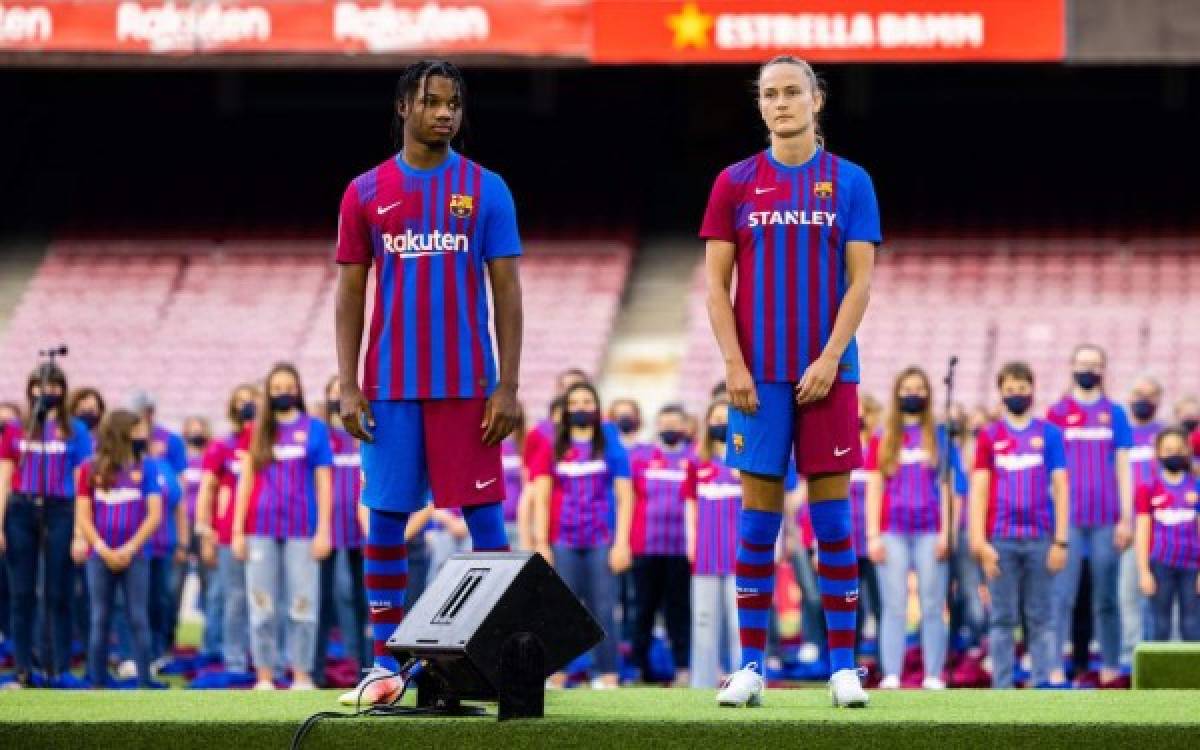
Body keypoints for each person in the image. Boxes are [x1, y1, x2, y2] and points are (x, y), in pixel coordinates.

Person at [333, 59, 523, 705]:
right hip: (388, 386)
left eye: (454, 104)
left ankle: (493, 661)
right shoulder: (365, 191)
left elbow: (507, 291)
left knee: (487, 523)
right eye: (433, 102)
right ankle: (385, 667)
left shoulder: (487, 188)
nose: (445, 113)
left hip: (469, 386)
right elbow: (351, 291)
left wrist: (508, 384)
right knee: (384, 520)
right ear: (404, 109)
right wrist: (348, 382)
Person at [701, 55, 880, 707]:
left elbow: (860, 282)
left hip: (829, 375)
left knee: (833, 523)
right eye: (769, 94)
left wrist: (831, 357)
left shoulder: (851, 182)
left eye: (791, 93)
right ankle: (750, 667)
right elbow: (716, 288)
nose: (779, 103)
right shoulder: (735, 183)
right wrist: (733, 366)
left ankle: (843, 669)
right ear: (760, 105)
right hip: (757, 382)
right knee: (756, 525)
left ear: (816, 100)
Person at [232, 363, 333, 691]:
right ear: (267, 393)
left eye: (288, 387)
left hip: (303, 529)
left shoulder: (315, 429)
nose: (282, 393)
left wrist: (324, 531)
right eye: (276, 388)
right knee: (261, 604)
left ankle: (301, 674)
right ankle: (265, 675)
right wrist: (236, 531)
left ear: (299, 390)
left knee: (302, 604)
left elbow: (324, 483)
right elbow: (245, 481)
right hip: (259, 529)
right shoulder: (256, 431)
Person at [970, 361, 1069, 688]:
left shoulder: (1050, 434)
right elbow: (980, 490)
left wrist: (1061, 541)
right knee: (1001, 619)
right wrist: (979, 542)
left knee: (1041, 618)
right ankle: (1002, 688)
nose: (1017, 394)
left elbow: (1061, 486)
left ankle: (1041, 686)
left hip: (1040, 539)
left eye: (1022, 388)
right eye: (1010, 390)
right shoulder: (989, 435)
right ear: (1001, 393)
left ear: (1032, 390)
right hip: (1000, 540)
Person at [866, 367, 965, 690]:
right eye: (907, 387)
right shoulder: (883, 437)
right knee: (893, 605)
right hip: (892, 531)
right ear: (897, 393)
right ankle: (891, 673)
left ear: (928, 393)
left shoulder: (940, 436)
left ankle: (933, 674)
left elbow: (951, 487)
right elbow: (875, 486)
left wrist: (947, 531)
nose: (913, 393)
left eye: (920, 388)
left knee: (933, 605)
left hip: (930, 532)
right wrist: (872, 535)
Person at [530, 381, 633, 689]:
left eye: (588, 401)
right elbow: (541, 498)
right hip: (563, 541)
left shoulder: (610, 442)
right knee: (561, 609)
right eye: (574, 403)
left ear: (597, 407)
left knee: (603, 608)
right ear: (565, 410)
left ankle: (608, 675)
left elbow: (626, 496)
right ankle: (556, 675)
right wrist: (540, 543)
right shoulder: (553, 446)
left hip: (601, 540)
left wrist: (622, 543)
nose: (581, 408)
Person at [0, 363, 92, 688]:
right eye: (41, 386)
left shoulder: (76, 430)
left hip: (61, 511)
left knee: (58, 592)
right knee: (21, 593)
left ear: (63, 391)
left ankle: (58, 667)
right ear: (31, 389)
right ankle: (24, 668)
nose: (47, 392)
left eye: (55, 386)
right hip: (21, 510)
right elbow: (4, 476)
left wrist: (81, 531)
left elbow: (83, 480)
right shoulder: (16, 429)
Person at [1047, 344, 1132, 687]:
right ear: (1071, 367)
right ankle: (1053, 663)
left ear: (1103, 370)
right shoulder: (1056, 413)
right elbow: (1050, 472)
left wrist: (1126, 517)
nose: (1088, 370)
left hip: (1105, 520)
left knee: (1107, 598)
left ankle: (1110, 665)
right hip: (1067, 521)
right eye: (1082, 364)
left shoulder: (1116, 414)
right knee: (1061, 597)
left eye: (1095, 365)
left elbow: (1124, 468)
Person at [75, 409, 163, 688]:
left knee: (138, 617)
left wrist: (129, 548)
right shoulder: (90, 469)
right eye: (137, 431)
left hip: (135, 556)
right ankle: (97, 683)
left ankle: (145, 683)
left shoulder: (147, 467)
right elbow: (83, 515)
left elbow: (154, 514)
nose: (143, 436)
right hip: (99, 557)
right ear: (121, 433)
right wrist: (102, 549)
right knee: (99, 618)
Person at [194, 383, 258, 681]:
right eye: (241, 402)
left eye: (252, 401)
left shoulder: (266, 443)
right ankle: (231, 658)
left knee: (261, 597)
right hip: (226, 532)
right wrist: (205, 532)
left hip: (261, 529)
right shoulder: (221, 446)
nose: (247, 406)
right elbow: (206, 490)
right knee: (230, 597)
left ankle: (260, 656)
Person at [630, 404, 694, 685]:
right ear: (657, 426)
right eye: (664, 423)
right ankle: (638, 670)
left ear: (685, 427)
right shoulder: (641, 458)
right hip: (646, 547)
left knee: (678, 610)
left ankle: (682, 668)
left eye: (675, 423)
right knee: (642, 609)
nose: (670, 428)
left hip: (681, 550)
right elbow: (628, 500)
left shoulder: (693, 459)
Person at [314, 376, 369, 683]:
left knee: (363, 602)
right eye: (333, 394)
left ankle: (364, 666)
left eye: (342, 392)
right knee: (325, 600)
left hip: (361, 530)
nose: (339, 399)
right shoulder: (321, 436)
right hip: (328, 530)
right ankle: (317, 669)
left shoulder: (365, 433)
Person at [686, 399, 741, 688]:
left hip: (741, 557)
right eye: (716, 418)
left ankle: (746, 679)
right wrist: (691, 544)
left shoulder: (747, 458)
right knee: (704, 623)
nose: (721, 423)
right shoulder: (697, 461)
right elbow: (690, 506)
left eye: (726, 418)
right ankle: (702, 684)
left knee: (738, 625)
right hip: (706, 556)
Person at [1135, 427, 1200, 642]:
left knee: (1192, 627)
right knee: (1159, 626)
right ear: (1158, 454)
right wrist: (1144, 571)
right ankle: (1158, 675)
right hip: (1160, 564)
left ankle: (1193, 675)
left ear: (1187, 452)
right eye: (1168, 449)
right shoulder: (1148, 487)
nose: (1173, 454)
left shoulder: (1196, 486)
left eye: (1179, 449)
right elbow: (1143, 531)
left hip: (1192, 566)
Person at [1123, 375, 1165, 664]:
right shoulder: (1121, 433)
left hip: (1165, 530)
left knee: (1165, 599)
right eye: (1138, 393)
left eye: (1150, 394)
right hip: (1129, 529)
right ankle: (1131, 658)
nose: (1143, 399)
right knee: (1128, 596)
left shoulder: (1166, 435)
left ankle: (1170, 657)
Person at [173, 415, 217, 659]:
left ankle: (210, 643)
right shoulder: (181, 461)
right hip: (182, 526)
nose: (195, 434)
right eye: (191, 429)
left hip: (204, 528)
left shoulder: (209, 458)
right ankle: (171, 642)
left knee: (209, 586)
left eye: (199, 429)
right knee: (174, 586)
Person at [851, 393, 882, 657]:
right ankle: (849, 663)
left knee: (881, 603)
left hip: (874, 541)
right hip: (849, 541)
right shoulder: (844, 447)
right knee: (852, 605)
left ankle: (885, 665)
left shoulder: (878, 448)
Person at [501, 401, 528, 548]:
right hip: (495, 524)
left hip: (520, 524)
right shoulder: (488, 445)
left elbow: (529, 486)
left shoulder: (525, 445)